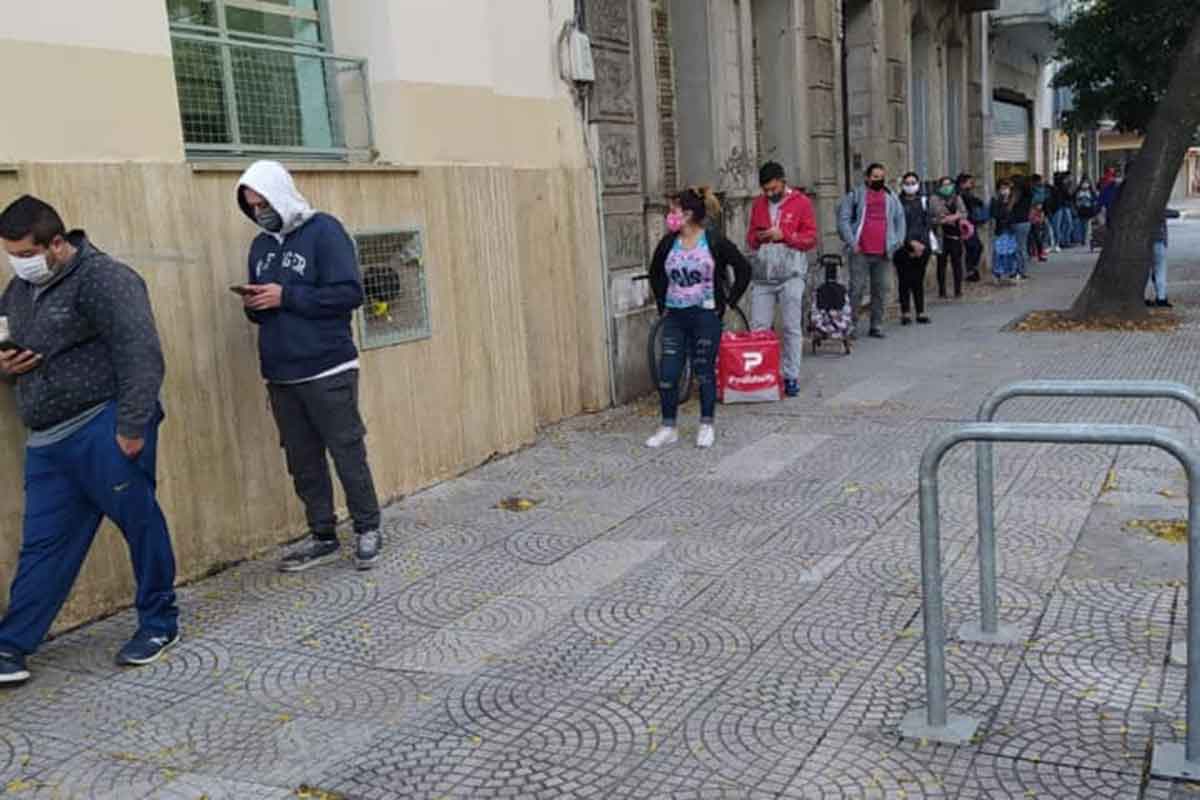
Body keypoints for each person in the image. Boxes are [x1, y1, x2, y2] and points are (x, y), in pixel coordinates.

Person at [0, 196, 179, 685]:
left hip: (104, 427)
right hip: (47, 442)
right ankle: (12, 646)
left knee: (139, 524)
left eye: (24, 252)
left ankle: (160, 622)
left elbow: (141, 354)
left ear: (56, 244)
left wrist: (131, 427)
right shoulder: (18, 291)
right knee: (43, 545)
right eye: (10, 254)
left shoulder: (106, 279)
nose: (17, 262)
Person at [235, 161, 383, 572]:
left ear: (280, 194)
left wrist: (288, 297)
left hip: (328, 367)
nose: (259, 211)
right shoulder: (260, 247)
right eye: (251, 206)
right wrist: (257, 305)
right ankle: (322, 535)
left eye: (263, 202)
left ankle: (368, 527)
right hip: (281, 374)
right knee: (302, 461)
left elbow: (349, 293)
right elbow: (265, 312)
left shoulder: (325, 231)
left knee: (345, 449)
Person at [647, 188, 751, 449]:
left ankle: (706, 424)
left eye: (674, 211)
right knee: (668, 372)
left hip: (705, 316)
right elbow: (655, 273)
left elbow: (743, 268)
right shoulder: (668, 243)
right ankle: (668, 426)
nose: (670, 216)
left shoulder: (713, 241)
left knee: (704, 371)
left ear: (689, 214)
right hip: (675, 316)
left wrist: (729, 301)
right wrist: (663, 304)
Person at [745, 161, 818, 397]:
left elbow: (810, 239)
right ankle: (762, 374)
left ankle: (791, 376)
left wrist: (784, 235)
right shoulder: (758, 205)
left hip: (792, 273)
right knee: (759, 327)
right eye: (766, 190)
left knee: (790, 326)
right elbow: (750, 237)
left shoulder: (801, 203)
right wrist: (759, 237)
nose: (770, 194)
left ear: (783, 182)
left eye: (774, 189)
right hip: (764, 274)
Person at [837, 163, 906, 339]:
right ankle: (851, 325)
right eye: (875, 177)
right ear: (867, 178)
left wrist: (897, 242)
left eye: (881, 177)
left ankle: (876, 324)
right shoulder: (855, 195)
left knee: (881, 289)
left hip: (884, 252)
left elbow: (900, 220)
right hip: (860, 250)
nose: (879, 180)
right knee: (856, 289)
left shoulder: (891, 197)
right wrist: (852, 242)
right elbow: (843, 219)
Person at [893, 172, 933, 325]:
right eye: (907, 183)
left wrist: (921, 244)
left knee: (918, 279)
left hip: (922, 246)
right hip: (903, 246)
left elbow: (927, 223)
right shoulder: (897, 202)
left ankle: (921, 311)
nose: (910, 186)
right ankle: (905, 312)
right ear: (903, 185)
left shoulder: (923, 201)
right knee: (904, 279)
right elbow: (896, 225)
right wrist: (910, 243)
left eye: (913, 182)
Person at [929, 176, 967, 299]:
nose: (947, 187)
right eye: (944, 185)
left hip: (956, 234)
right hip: (941, 235)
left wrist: (955, 217)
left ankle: (958, 290)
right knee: (941, 263)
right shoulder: (934, 199)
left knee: (957, 262)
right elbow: (930, 217)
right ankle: (942, 290)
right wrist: (942, 220)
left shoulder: (957, 197)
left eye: (949, 184)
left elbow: (964, 213)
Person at [990, 179, 1021, 282]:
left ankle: (1012, 273)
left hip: (1011, 229)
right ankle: (998, 273)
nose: (1005, 190)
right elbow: (995, 214)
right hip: (1000, 230)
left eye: (1007, 188)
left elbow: (1015, 215)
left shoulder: (1014, 201)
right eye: (1003, 188)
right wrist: (1004, 207)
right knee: (999, 252)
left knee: (1011, 252)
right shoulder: (995, 201)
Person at [957, 173, 986, 282]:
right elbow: (974, 202)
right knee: (974, 247)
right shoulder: (960, 194)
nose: (972, 184)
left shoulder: (967, 193)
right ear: (963, 183)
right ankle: (971, 270)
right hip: (965, 225)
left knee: (974, 247)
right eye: (970, 182)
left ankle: (972, 270)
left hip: (971, 224)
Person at [1010, 176, 1033, 278]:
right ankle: (1021, 270)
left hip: (1017, 222)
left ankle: (1019, 271)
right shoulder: (1029, 194)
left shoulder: (1017, 193)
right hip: (1025, 222)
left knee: (1018, 248)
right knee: (1022, 247)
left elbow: (1010, 206)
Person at [1073, 177, 1099, 246]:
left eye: (1086, 182)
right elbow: (1074, 199)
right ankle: (1082, 239)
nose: (1085, 184)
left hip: (1088, 209)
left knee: (1087, 225)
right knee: (1081, 225)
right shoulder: (1078, 191)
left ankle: (1085, 239)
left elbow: (1095, 199)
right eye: (1083, 182)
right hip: (1080, 209)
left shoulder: (1091, 191)